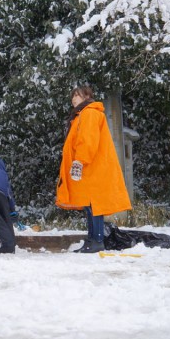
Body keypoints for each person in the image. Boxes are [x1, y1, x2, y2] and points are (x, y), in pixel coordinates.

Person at [56, 85, 132, 253]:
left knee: (93, 205)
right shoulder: (83, 114)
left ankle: (97, 241)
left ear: (87, 96)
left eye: (77, 95)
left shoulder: (89, 113)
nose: (73, 99)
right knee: (89, 205)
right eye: (72, 96)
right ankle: (92, 240)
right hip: (91, 168)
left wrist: (79, 162)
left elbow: (87, 140)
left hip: (92, 168)